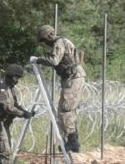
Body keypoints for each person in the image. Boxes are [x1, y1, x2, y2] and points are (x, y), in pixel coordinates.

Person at [30, 25, 85, 153]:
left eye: (44, 40)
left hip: (72, 78)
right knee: (70, 110)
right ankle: (73, 140)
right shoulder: (65, 41)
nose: (45, 43)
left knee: (65, 110)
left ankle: (72, 141)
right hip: (74, 77)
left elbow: (54, 61)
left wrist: (38, 60)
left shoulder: (59, 42)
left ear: (49, 36)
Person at [0, 64, 34, 164]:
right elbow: (7, 107)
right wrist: (22, 114)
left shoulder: (11, 90)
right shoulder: (1, 90)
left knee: (7, 151)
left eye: (18, 78)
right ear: (9, 76)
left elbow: (15, 105)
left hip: (5, 125)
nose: (17, 81)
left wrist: (26, 112)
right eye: (16, 78)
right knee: (4, 153)